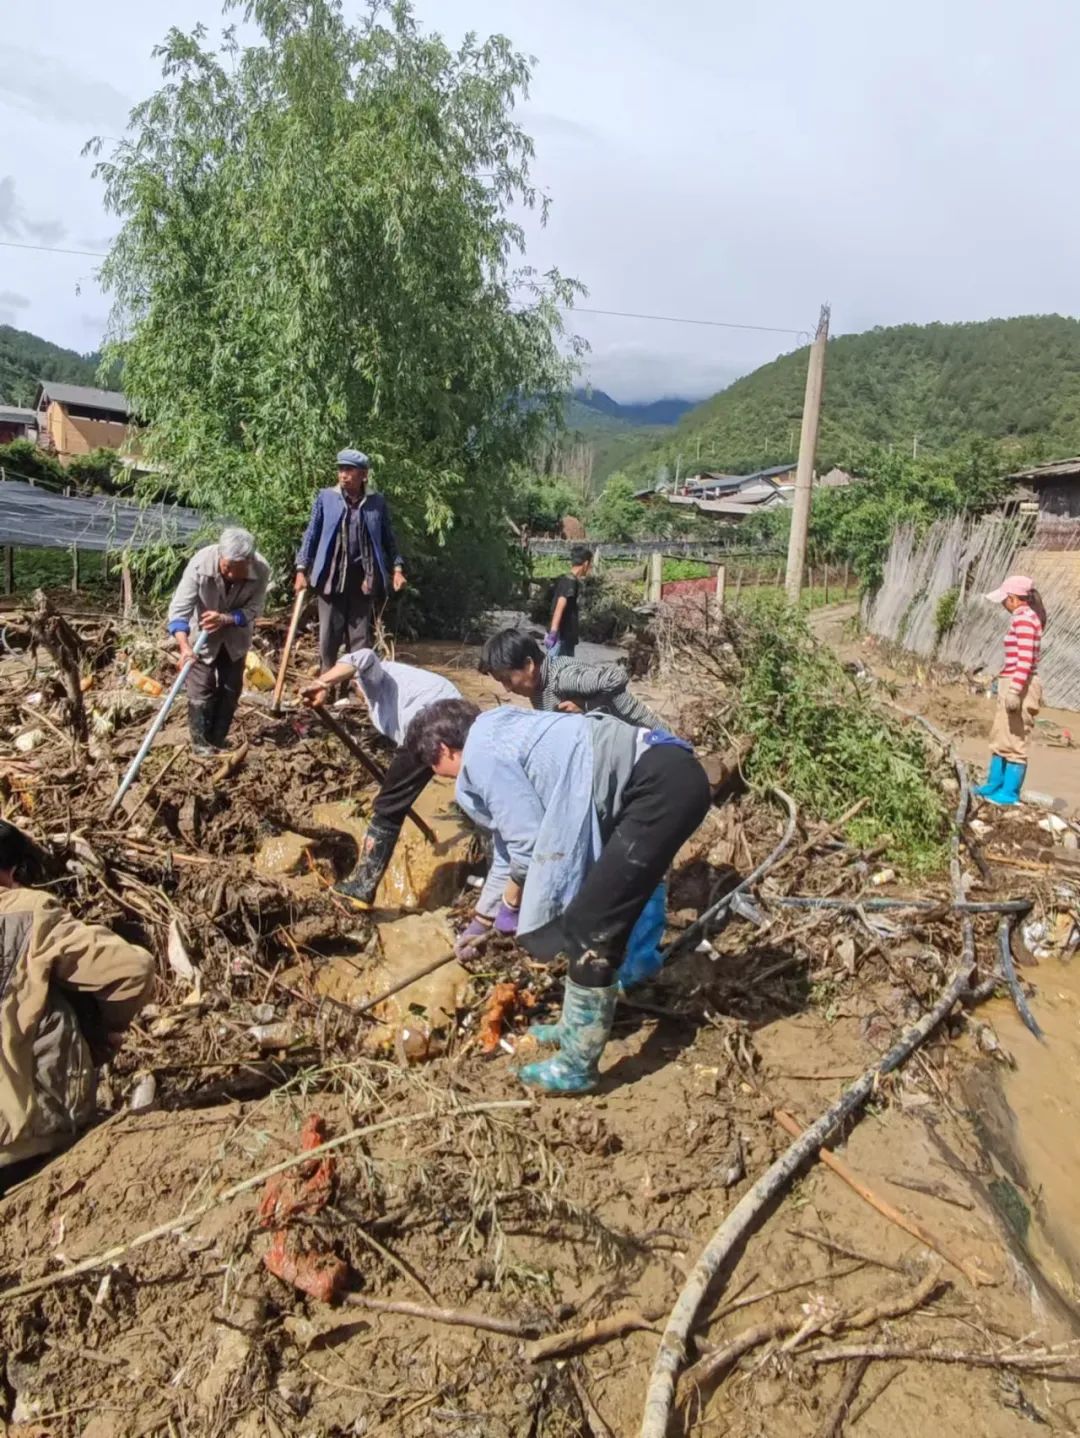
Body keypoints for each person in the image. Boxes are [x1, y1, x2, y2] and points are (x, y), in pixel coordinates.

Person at [405, 700, 711, 1094]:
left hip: (660, 788)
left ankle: (577, 1065)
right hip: (666, 778)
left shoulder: (482, 757)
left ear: (445, 750)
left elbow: (527, 846)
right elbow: (506, 848)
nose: (441, 777)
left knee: (591, 924)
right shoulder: (497, 731)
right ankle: (574, 1027)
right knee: (599, 914)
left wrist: (513, 905)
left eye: (435, 769)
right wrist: (481, 920)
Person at [0, 821, 154, 1177]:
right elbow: (134, 970)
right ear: (12, 871)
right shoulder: (27, 910)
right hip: (26, 1143)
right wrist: (99, 1036)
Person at [301, 649, 461, 908]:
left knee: (388, 807)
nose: (357, 694)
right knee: (472, 787)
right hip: (456, 716)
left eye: (353, 687)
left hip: (432, 720)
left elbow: (362, 656)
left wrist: (322, 682)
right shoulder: (399, 691)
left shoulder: (375, 677)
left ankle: (361, 888)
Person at [295, 450, 407, 690]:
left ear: (363, 474)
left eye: (350, 470)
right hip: (331, 580)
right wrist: (301, 569)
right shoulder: (326, 498)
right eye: (341, 470)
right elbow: (311, 534)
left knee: (359, 641)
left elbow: (389, 539)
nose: (343, 475)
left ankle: (353, 690)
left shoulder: (377, 502)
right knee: (329, 639)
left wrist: (397, 568)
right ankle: (326, 689)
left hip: (363, 582)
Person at [168, 527, 270, 756]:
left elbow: (255, 609)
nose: (232, 575)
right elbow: (179, 611)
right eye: (226, 568)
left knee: (230, 688)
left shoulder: (261, 569)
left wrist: (226, 619)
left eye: (238, 569)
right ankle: (201, 744)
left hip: (236, 635)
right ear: (221, 558)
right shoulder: (200, 564)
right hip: (201, 637)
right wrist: (184, 648)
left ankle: (218, 739)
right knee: (200, 688)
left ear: (250, 561)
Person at [479, 627, 664, 728]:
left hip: (653, 741)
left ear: (529, 665)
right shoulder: (538, 686)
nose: (507, 689)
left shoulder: (563, 678)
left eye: (507, 680)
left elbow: (617, 676)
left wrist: (586, 706)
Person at [974, 575, 1047, 808]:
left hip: (1021, 684)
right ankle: (994, 784)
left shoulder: (1025, 619)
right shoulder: (1022, 617)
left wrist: (1015, 689)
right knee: (1001, 735)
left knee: (1015, 739)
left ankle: (1009, 792)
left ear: (1014, 599)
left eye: (1005, 600)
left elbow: (1025, 659)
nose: (1003, 605)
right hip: (1012, 681)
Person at [545, 545, 592, 658]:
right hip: (562, 637)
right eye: (590, 566)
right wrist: (554, 632)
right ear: (585, 564)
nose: (590, 569)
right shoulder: (571, 582)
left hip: (564, 637)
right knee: (558, 671)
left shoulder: (565, 579)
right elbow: (560, 605)